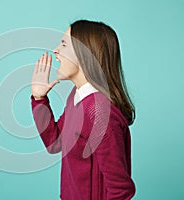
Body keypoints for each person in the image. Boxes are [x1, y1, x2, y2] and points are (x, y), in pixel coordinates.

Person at [30, 19, 136, 200]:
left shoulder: (99, 114)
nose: (56, 50)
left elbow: (120, 191)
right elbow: (55, 143)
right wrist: (39, 99)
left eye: (63, 44)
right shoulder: (77, 96)